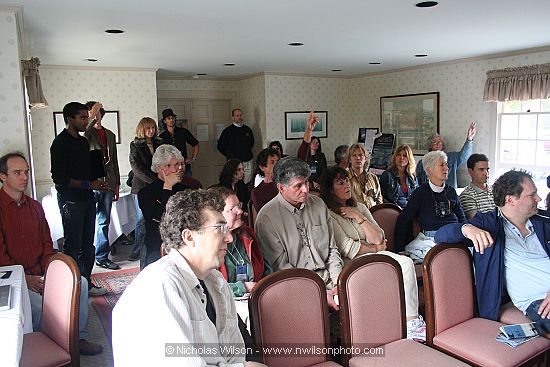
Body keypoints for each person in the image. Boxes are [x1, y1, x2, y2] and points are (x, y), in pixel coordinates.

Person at [112, 190, 266, 367]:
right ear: (189, 236)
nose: (229, 237)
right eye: (220, 228)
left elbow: (234, 353)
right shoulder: (161, 285)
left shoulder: (216, 281)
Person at [0, 152, 103, 355]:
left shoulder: (35, 207)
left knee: (79, 282)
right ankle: (52, 346)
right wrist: (25, 279)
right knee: (42, 307)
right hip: (15, 280)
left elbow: (47, 245)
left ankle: (77, 338)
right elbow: (1, 257)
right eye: (17, 173)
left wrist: (51, 272)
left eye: (26, 172)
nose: (24, 177)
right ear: (2, 176)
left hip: (40, 273)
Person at [435, 170, 550, 333]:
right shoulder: (489, 224)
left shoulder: (544, 221)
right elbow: (441, 235)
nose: (538, 199)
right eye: (532, 195)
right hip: (538, 302)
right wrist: (467, 228)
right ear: (511, 200)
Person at [319, 166, 425, 340]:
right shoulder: (328, 214)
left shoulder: (359, 207)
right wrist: (374, 248)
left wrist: (358, 217)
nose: (347, 185)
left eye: (347, 181)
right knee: (397, 266)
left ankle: (410, 322)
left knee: (405, 263)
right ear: (330, 190)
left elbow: (379, 236)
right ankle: (401, 324)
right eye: (340, 183)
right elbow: (348, 248)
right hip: (350, 264)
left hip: (371, 257)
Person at [255, 157, 343, 311]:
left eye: (307, 182)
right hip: (296, 287)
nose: (306, 189)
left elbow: (332, 249)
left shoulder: (318, 205)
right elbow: (281, 269)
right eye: (298, 186)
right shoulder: (267, 218)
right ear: (281, 188)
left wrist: (338, 283)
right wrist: (320, 291)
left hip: (330, 279)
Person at [50, 102, 108, 296]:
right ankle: (72, 288)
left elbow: (86, 172)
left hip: (87, 199)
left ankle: (86, 284)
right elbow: (60, 178)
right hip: (71, 201)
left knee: (88, 245)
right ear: (70, 119)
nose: (86, 121)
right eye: (83, 117)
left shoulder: (83, 142)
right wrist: (87, 185)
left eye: (86, 117)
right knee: (73, 247)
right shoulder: (59, 144)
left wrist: (95, 182)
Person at [395, 151, 466, 261]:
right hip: (433, 237)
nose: (446, 168)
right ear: (429, 170)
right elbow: (403, 220)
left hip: (455, 233)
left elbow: (461, 218)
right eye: (442, 165)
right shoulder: (420, 193)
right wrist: (399, 249)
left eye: (446, 164)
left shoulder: (451, 192)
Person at [210, 186, 272, 297]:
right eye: (232, 209)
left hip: (257, 299)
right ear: (216, 214)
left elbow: (268, 270)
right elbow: (212, 288)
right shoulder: (209, 245)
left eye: (239, 206)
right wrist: (244, 288)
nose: (240, 211)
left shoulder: (247, 234)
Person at [138, 145, 190, 268]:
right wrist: (167, 187)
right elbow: (159, 217)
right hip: (157, 245)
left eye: (178, 164)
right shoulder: (145, 193)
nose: (177, 169)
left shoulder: (185, 190)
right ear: (159, 168)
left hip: (183, 245)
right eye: (170, 166)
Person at [84, 101, 121, 270]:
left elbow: (114, 160)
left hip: (108, 182)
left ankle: (101, 256)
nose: (96, 114)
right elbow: (83, 132)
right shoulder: (87, 133)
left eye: (99, 111)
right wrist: (91, 115)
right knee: (90, 220)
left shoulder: (110, 135)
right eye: (93, 112)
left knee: (104, 221)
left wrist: (117, 184)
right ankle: (88, 256)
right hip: (92, 182)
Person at [128, 117, 163, 264]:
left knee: (156, 217)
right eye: (148, 128)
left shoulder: (159, 143)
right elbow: (136, 168)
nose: (151, 131)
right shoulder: (135, 145)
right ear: (142, 129)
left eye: (153, 127)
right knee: (141, 220)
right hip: (141, 186)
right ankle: (137, 250)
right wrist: (154, 181)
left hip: (158, 185)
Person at [416, 122, 477, 188]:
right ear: (430, 146)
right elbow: (418, 182)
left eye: (440, 141)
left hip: (448, 194)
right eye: (434, 142)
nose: (438, 143)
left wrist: (469, 139)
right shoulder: (422, 162)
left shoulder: (451, 158)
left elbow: (464, 156)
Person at [217, 108, 255, 183]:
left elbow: (251, 143)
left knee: (248, 182)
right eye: (237, 115)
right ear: (233, 117)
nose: (239, 117)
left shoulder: (247, 130)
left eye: (240, 115)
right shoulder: (227, 131)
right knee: (234, 182)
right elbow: (220, 146)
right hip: (233, 162)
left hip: (247, 161)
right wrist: (229, 155)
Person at [158, 108, 199, 177]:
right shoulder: (162, 136)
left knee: (187, 185)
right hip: (169, 168)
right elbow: (160, 153)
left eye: (172, 118)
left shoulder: (183, 132)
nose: (171, 120)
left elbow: (196, 144)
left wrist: (193, 158)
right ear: (165, 121)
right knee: (172, 187)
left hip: (184, 167)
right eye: (168, 118)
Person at [459, 153, 495, 219]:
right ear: (470, 171)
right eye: (481, 170)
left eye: (487, 169)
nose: (486, 173)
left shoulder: (495, 190)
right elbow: (476, 221)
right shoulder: (467, 195)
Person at [347, 143, 383, 209]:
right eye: (354, 155)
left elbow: (379, 201)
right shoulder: (345, 178)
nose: (358, 158)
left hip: (373, 214)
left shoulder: (373, 178)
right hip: (355, 215)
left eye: (360, 155)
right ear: (350, 159)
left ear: (365, 158)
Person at [297, 112, 327, 189]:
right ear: (309, 144)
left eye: (317, 143)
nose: (316, 144)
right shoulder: (304, 156)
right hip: (307, 183)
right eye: (314, 142)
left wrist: (318, 183)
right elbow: (303, 171)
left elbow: (324, 171)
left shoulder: (321, 156)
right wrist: (311, 182)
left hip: (320, 184)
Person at [250, 148, 279, 213]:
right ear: (262, 167)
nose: (276, 165)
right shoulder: (257, 191)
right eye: (272, 162)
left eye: (278, 162)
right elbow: (263, 215)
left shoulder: (284, 184)